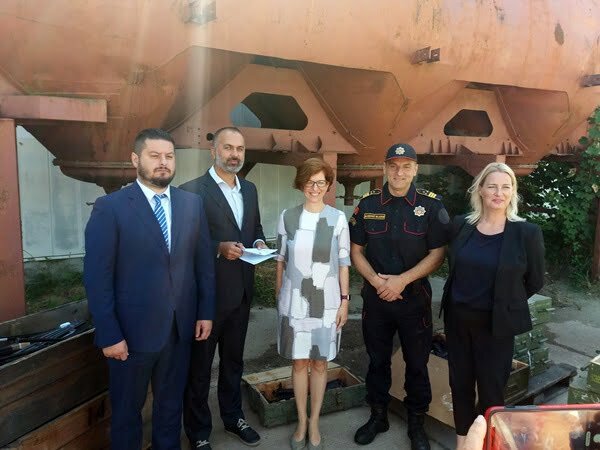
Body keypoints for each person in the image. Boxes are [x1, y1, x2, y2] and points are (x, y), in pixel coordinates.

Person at [84, 128, 215, 450]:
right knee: (127, 414)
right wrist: (109, 334)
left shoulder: (192, 204)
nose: (163, 162)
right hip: (130, 335)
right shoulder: (110, 207)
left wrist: (205, 312)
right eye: (154, 155)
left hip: (179, 330)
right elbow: (97, 278)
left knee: (170, 409)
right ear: (135, 159)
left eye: (169, 156)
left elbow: (203, 265)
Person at [349, 143, 450, 450]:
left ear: (415, 169)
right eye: (393, 166)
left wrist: (402, 281)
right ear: (384, 168)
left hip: (414, 300)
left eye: (406, 166)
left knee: (417, 363)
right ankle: (378, 415)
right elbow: (356, 251)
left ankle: (416, 423)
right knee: (377, 360)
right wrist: (376, 281)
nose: (399, 172)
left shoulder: (431, 206)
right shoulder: (367, 204)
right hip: (376, 298)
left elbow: (438, 254)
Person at [440, 162, 545, 449]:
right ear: (481, 190)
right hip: (458, 322)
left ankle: (485, 444)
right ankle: (463, 444)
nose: (499, 192)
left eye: (505, 187)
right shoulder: (462, 225)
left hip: (496, 327)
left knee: (491, 392)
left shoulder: (526, 233)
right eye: (493, 186)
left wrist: (504, 301)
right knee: (460, 386)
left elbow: (535, 280)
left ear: (513, 192)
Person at [180, 126, 266, 449]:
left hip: (241, 293)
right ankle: (199, 431)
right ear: (213, 151)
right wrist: (218, 248)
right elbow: (185, 243)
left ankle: (233, 418)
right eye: (228, 147)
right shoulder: (191, 191)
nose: (234, 154)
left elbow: (254, 228)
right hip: (207, 298)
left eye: (239, 149)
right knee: (200, 368)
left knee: (233, 362)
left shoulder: (250, 189)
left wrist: (259, 241)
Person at [275, 158, 351, 450]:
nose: (314, 187)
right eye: (309, 181)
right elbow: (280, 260)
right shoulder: (288, 217)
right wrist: (279, 297)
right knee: (298, 362)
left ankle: (315, 421)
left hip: (327, 303)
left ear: (328, 185)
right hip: (294, 303)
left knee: (320, 363)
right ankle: (301, 422)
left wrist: (344, 302)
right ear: (301, 184)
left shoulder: (337, 219)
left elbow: (343, 263)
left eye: (320, 182)